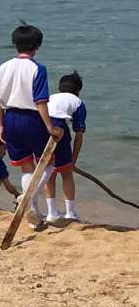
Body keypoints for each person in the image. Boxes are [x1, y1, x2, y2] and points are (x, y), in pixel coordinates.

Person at [0, 24, 63, 227]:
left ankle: (34, 216)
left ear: (15, 44)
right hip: (31, 119)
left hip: (10, 118)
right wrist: (49, 126)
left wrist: (1, 124)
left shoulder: (4, 67)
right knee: (48, 163)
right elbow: (40, 101)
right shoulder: (38, 69)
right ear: (37, 46)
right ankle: (27, 198)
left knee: (27, 167)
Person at [44, 71, 87, 222]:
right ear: (78, 91)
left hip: (41, 127)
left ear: (60, 88)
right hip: (59, 128)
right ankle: (70, 213)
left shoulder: (51, 97)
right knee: (66, 173)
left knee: (48, 172)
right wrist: (72, 161)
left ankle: (51, 213)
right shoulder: (78, 103)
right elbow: (79, 134)